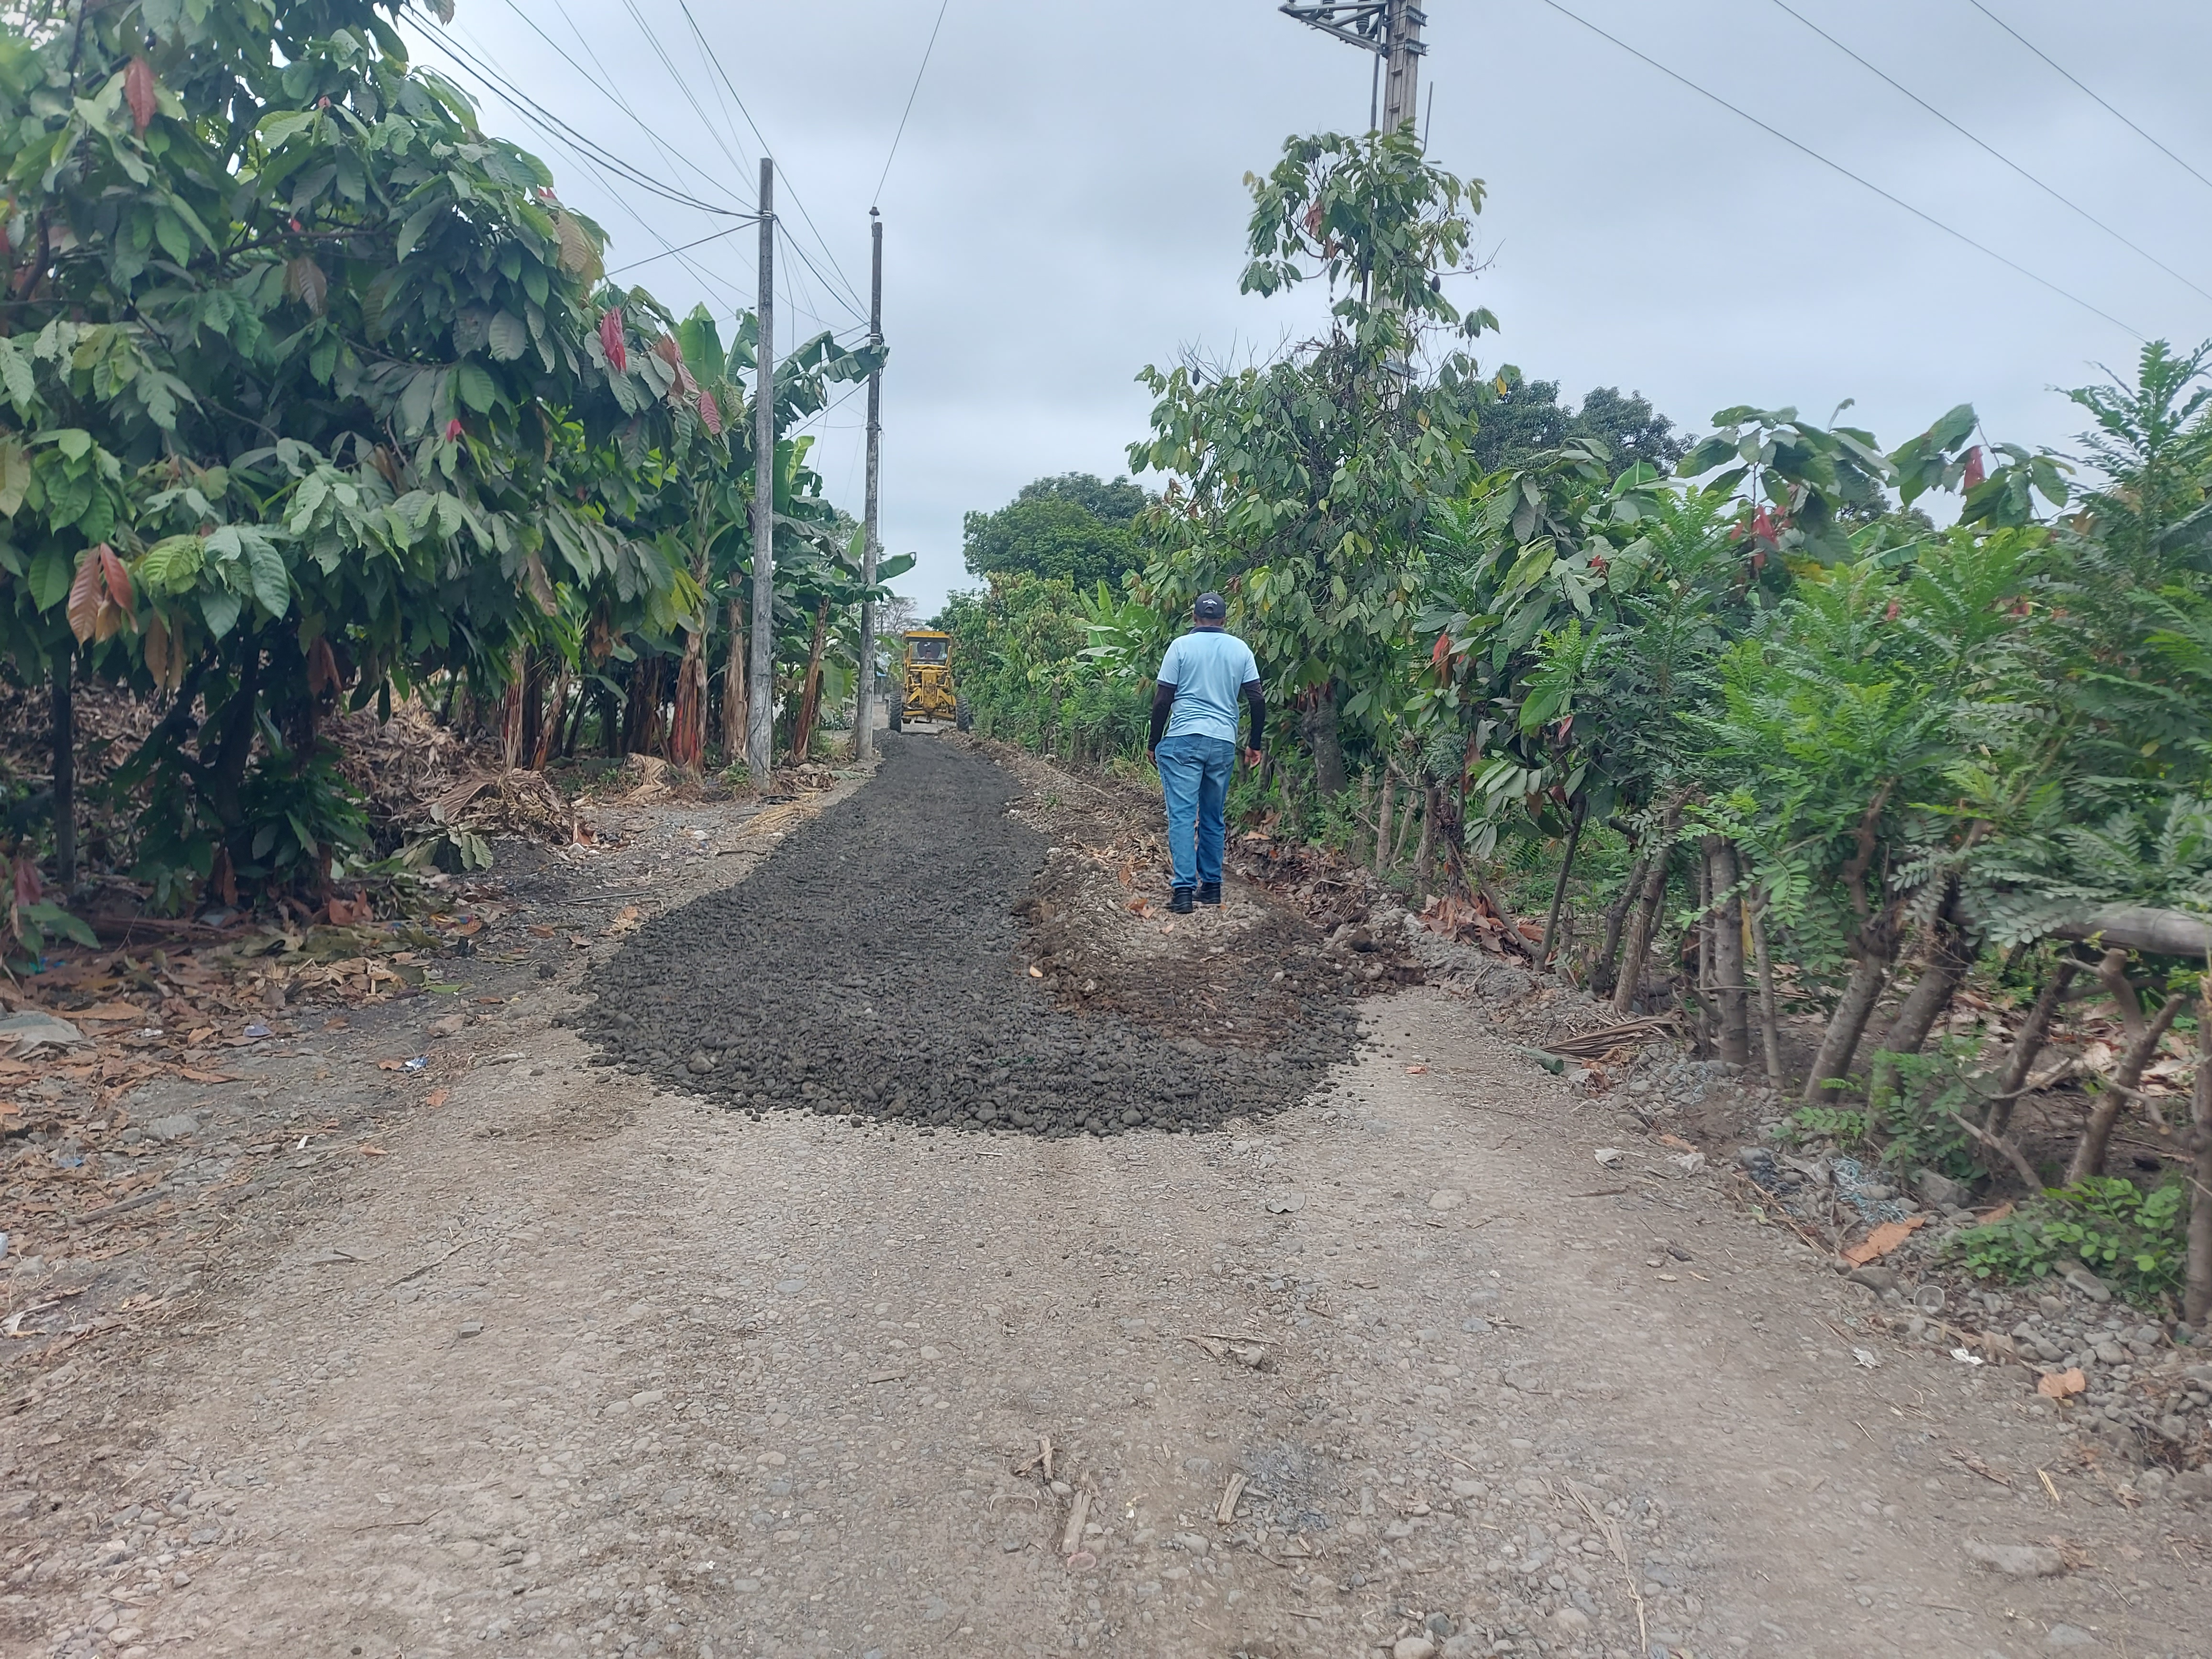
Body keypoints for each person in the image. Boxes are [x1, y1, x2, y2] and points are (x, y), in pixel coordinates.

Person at [1147, 592, 1264, 914]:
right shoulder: (1241, 650)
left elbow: (1163, 700)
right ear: (1224, 620)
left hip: (1185, 738)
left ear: (1195, 618)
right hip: (1223, 742)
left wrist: (1154, 742)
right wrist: (1254, 743)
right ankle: (1211, 887)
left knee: (1183, 816)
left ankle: (1184, 892)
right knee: (1213, 816)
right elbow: (1257, 699)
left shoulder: (1180, 647)